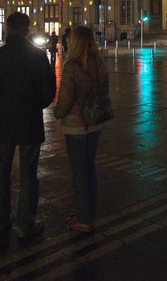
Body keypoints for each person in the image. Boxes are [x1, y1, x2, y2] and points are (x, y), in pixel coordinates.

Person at [0, 12, 56, 239]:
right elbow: (48, 92)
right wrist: (35, 105)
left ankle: (0, 221)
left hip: (5, 122)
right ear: (27, 30)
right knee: (28, 173)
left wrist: (2, 104)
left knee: (2, 172)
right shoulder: (38, 56)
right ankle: (25, 223)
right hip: (30, 122)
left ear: (6, 28)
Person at [54, 26, 110, 233]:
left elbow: (66, 98)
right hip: (95, 122)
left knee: (79, 172)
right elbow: (105, 91)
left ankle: (84, 219)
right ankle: (89, 212)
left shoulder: (72, 67)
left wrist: (58, 113)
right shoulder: (99, 64)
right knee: (89, 168)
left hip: (76, 125)